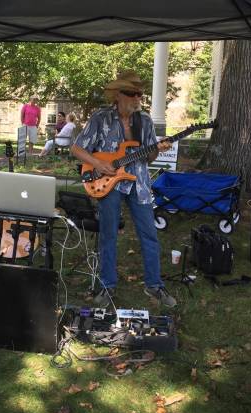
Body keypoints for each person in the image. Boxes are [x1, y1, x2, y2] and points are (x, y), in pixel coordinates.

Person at [71, 71, 176, 308]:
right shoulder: (101, 118)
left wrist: (159, 148)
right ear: (118, 95)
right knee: (108, 235)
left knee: (149, 234)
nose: (137, 97)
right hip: (108, 182)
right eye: (131, 93)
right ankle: (107, 286)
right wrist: (99, 164)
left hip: (138, 183)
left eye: (139, 93)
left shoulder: (145, 121)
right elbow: (77, 149)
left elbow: (149, 157)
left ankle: (154, 285)